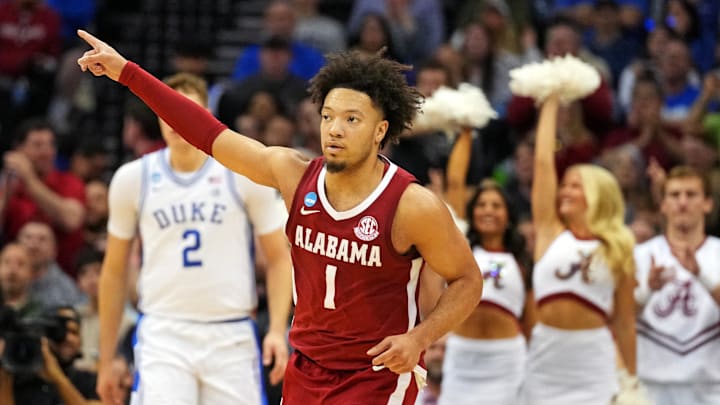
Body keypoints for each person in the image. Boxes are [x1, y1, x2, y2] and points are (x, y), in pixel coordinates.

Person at [76, 29, 483, 404]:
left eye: (351, 119)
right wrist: (127, 73)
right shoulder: (292, 174)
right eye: (328, 116)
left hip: (376, 372)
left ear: (381, 130)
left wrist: (419, 338)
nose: (335, 129)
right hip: (306, 366)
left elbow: (467, 280)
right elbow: (206, 132)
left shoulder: (412, 205)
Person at [94, 72, 293, 405]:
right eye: (167, 111)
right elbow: (113, 273)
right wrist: (105, 360)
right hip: (163, 332)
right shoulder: (133, 178)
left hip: (230, 333)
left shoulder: (242, 175)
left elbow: (278, 258)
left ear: (205, 117)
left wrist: (275, 328)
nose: (176, 120)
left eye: (187, 110)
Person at [520, 93, 637, 404]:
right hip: (545, 356)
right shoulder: (550, 231)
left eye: (576, 185)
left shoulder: (618, 245)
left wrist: (632, 381)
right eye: (565, 184)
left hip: (592, 361)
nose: (565, 191)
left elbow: (625, 322)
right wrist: (550, 98)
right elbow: (544, 164)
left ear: (599, 194)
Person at [438, 130, 535, 405]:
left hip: (506, 361)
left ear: (508, 215)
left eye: (496, 205)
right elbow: (455, 183)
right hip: (462, 357)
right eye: (481, 205)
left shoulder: (521, 259)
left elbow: (530, 323)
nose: (488, 210)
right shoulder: (462, 247)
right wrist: (466, 133)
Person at [633, 166, 720, 405]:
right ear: (662, 205)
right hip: (650, 387)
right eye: (674, 195)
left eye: (691, 195)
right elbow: (619, 319)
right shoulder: (639, 256)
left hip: (710, 388)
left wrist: (702, 276)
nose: (682, 203)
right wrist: (647, 290)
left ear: (707, 204)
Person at [1, 118, 86, 275]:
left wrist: (29, 179)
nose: (46, 152)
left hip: (64, 280)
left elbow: (71, 220)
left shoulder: (70, 182)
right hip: (16, 276)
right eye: (37, 145)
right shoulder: (9, 186)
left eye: (50, 145)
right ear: (18, 150)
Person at [0, 306, 101, 405]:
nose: (68, 338)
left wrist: (57, 377)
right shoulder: (19, 383)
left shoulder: (89, 382)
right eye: (59, 333)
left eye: (74, 332)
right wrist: (4, 376)